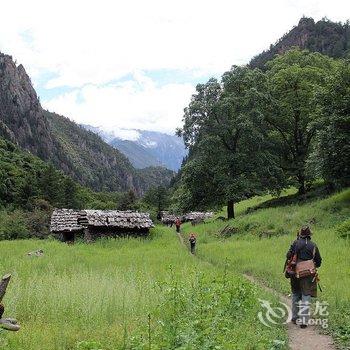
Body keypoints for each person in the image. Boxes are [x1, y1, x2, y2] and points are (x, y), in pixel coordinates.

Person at [286, 226, 322, 328]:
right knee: (306, 295)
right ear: (309, 235)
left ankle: (295, 318)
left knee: (295, 294)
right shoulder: (313, 245)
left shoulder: (295, 243)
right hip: (308, 274)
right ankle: (304, 321)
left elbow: (288, 256)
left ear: (300, 234)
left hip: (295, 274)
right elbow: (318, 261)